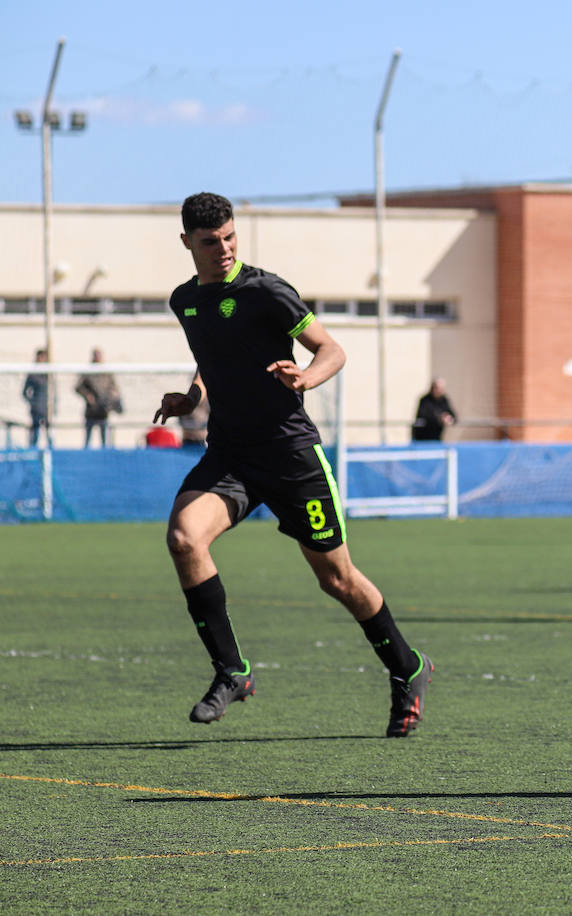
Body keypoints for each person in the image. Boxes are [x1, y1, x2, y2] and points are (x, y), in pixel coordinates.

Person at [153, 192, 433, 735]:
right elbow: (211, 361)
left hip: (290, 455)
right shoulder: (185, 301)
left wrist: (306, 377)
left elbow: (330, 349)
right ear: (187, 242)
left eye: (231, 237)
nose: (225, 249)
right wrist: (191, 398)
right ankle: (232, 671)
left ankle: (407, 668)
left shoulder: (266, 290)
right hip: (232, 454)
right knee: (185, 538)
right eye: (211, 242)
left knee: (338, 579)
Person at [75, 347, 123, 448]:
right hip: (91, 409)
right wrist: (87, 395)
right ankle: (86, 453)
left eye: (99, 356)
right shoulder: (87, 372)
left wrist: (112, 396)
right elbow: (78, 387)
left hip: (103, 409)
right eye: (96, 356)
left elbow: (113, 387)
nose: (97, 358)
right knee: (88, 436)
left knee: (104, 435)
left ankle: (104, 455)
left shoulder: (106, 372)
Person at [411, 377, 457, 442]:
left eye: (442, 389)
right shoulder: (425, 400)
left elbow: (453, 416)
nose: (439, 391)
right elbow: (423, 416)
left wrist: (449, 418)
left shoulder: (444, 400)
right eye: (438, 388)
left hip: (436, 437)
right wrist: (439, 418)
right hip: (422, 438)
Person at [22, 348, 50, 448]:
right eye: (41, 357)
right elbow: (24, 392)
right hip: (36, 410)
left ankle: (52, 454)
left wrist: (53, 405)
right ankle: (32, 451)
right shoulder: (33, 374)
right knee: (35, 433)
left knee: (50, 434)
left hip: (47, 409)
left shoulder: (49, 374)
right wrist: (33, 403)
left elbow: (53, 391)